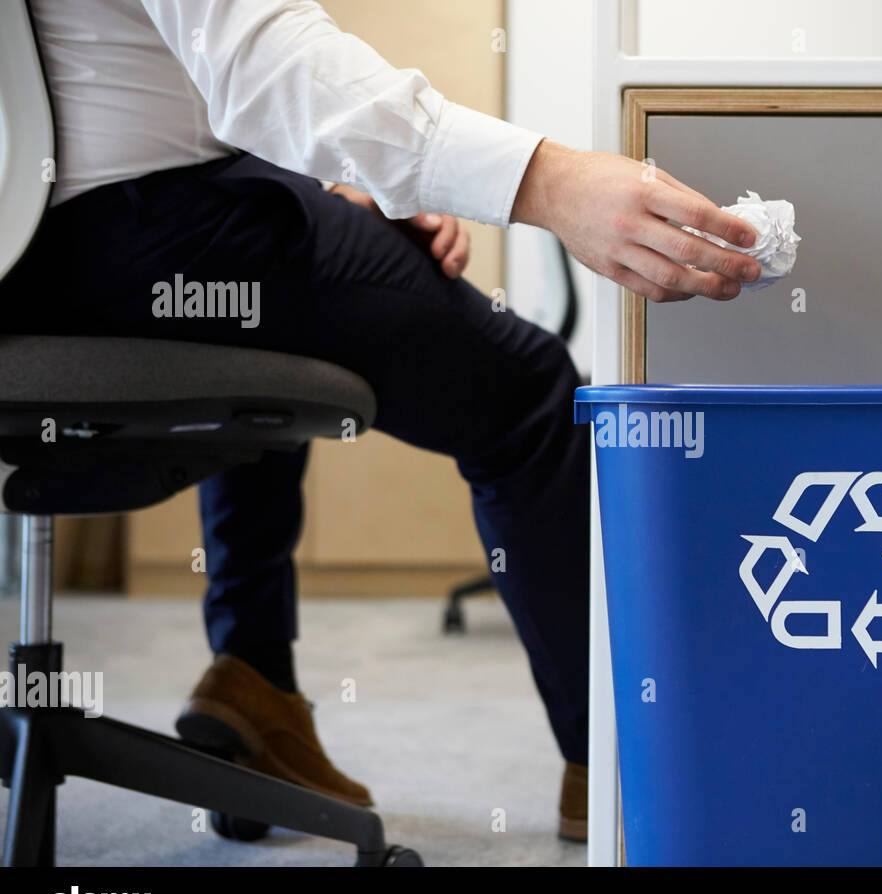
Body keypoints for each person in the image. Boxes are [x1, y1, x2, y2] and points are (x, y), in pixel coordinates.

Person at [3, 0, 760, 843]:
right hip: (136, 233)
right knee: (531, 394)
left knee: (268, 310)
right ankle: (616, 770)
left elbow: (144, 87)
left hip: (24, 257)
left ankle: (255, 684)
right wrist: (548, 183)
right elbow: (268, 65)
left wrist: (340, 178)